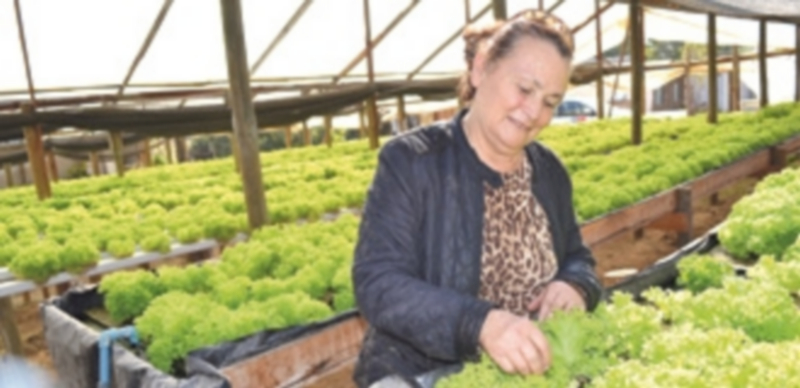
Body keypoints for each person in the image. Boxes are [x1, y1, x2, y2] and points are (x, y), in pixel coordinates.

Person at [351, 9, 602, 388]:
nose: (534, 112)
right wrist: (479, 323)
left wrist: (575, 284)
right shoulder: (413, 161)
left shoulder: (549, 171)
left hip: (532, 373)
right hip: (421, 372)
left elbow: (577, 256)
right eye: (524, 89)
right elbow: (378, 282)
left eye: (551, 101)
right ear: (481, 68)